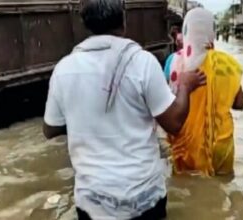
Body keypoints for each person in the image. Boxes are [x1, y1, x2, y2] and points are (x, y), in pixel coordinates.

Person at [42, 0, 206, 219]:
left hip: (93, 204)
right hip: (144, 199)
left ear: (84, 23)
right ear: (123, 21)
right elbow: (174, 124)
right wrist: (185, 86)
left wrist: (85, 121)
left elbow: (50, 129)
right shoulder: (143, 62)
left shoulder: (63, 69)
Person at [165, 8, 243, 176]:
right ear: (212, 31)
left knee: (187, 192)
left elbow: (166, 104)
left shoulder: (174, 62)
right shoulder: (227, 63)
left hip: (187, 144)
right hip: (221, 142)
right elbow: (240, 104)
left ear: (186, 29)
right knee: (222, 191)